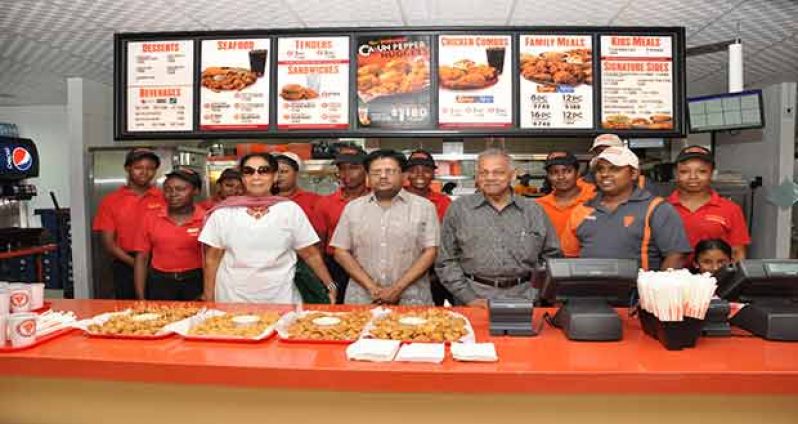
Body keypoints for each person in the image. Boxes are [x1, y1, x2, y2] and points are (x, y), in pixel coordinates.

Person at [199, 153, 336, 304]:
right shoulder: (223, 213)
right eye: (248, 171)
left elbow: (310, 254)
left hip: (281, 298)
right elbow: (212, 260)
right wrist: (209, 299)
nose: (256, 176)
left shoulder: (290, 210)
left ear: (275, 176)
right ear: (243, 178)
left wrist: (329, 284)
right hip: (232, 299)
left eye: (264, 171)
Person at [436, 148, 561, 307]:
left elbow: (552, 257)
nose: (490, 178)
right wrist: (468, 297)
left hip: (526, 299)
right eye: (483, 173)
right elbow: (445, 260)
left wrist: (537, 293)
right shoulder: (459, 209)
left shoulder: (533, 211)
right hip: (473, 298)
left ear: (513, 175)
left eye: (498, 172)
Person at [331, 149, 439, 305]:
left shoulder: (424, 207)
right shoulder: (353, 208)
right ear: (368, 176)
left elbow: (431, 252)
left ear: (404, 175)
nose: (382, 176)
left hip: (412, 298)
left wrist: (397, 289)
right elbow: (340, 251)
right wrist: (372, 288)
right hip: (363, 298)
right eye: (376, 172)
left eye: (389, 171)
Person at [560, 146, 692, 270]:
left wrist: (656, 290)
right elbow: (568, 257)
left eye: (615, 169)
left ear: (634, 173)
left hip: (638, 293)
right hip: (587, 292)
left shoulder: (657, 208)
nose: (605, 174)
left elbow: (676, 256)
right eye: (600, 169)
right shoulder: (582, 210)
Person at [93, 148, 166, 299]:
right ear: (128, 168)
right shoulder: (111, 201)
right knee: (129, 312)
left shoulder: (164, 198)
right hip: (125, 264)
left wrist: (153, 266)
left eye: (150, 168)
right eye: (139, 168)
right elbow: (108, 244)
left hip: (160, 264)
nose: (144, 172)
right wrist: (137, 265)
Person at [667, 145, 750, 263]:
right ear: (676, 174)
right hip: (671, 279)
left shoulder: (731, 209)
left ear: (712, 174)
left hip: (715, 278)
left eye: (702, 171)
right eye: (684, 171)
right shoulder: (661, 208)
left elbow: (738, 253)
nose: (693, 177)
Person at [132, 169, 205, 301]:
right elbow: (141, 258)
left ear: (196, 191)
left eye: (180, 189)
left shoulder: (206, 219)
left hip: (196, 282)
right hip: (160, 282)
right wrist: (140, 297)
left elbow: (214, 260)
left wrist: (208, 292)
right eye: (168, 189)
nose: (173, 194)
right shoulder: (151, 217)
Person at [315, 145, 369, 303]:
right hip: (336, 267)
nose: (347, 174)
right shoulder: (325, 203)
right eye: (342, 168)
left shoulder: (376, 200)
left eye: (353, 168)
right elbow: (318, 247)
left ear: (366, 169)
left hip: (369, 263)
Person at [274, 152, 328, 304]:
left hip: (309, 266)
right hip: (276, 269)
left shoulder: (314, 200)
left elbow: (321, 236)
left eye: (284, 171)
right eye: (275, 172)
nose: (279, 176)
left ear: (296, 173)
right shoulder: (261, 202)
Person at [403, 149, 454, 306]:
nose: (420, 174)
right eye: (414, 170)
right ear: (406, 174)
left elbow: (450, 239)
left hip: (436, 273)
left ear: (433, 174)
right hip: (403, 272)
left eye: (426, 170)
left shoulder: (444, 202)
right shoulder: (396, 199)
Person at [535, 151, 596, 238]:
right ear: (548, 176)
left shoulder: (594, 199)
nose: (561, 177)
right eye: (554, 172)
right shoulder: (539, 206)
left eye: (567, 171)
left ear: (577, 173)